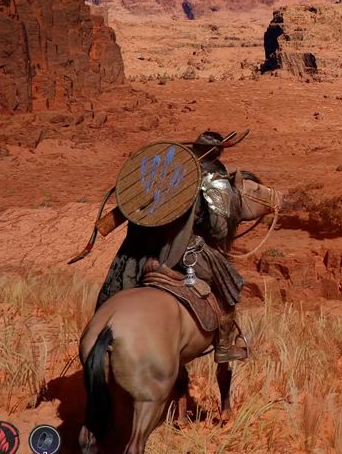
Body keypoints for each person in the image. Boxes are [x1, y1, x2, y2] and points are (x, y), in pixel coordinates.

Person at [95, 131, 249, 362]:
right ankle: (224, 347)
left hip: (135, 250)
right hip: (179, 250)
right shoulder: (214, 179)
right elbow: (219, 230)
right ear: (219, 153)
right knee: (227, 284)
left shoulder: (163, 169)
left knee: (111, 290)